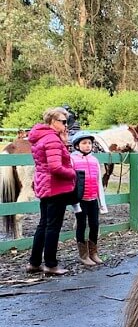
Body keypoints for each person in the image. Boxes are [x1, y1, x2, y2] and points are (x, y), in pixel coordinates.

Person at [27, 107, 77, 276]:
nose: (66, 125)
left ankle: (34, 263)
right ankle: (50, 264)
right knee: (53, 227)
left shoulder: (41, 137)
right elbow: (56, 167)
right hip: (56, 187)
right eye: (63, 122)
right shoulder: (52, 140)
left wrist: (64, 141)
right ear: (52, 122)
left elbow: (47, 163)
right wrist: (73, 174)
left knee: (43, 224)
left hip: (45, 185)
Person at [70, 130, 108, 266]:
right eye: (84, 143)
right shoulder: (72, 160)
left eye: (89, 143)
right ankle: (83, 254)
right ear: (77, 145)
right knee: (81, 225)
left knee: (95, 225)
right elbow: (72, 183)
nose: (87, 146)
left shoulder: (94, 160)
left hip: (93, 199)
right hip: (81, 199)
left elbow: (98, 182)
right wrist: (75, 203)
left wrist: (101, 203)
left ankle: (93, 252)